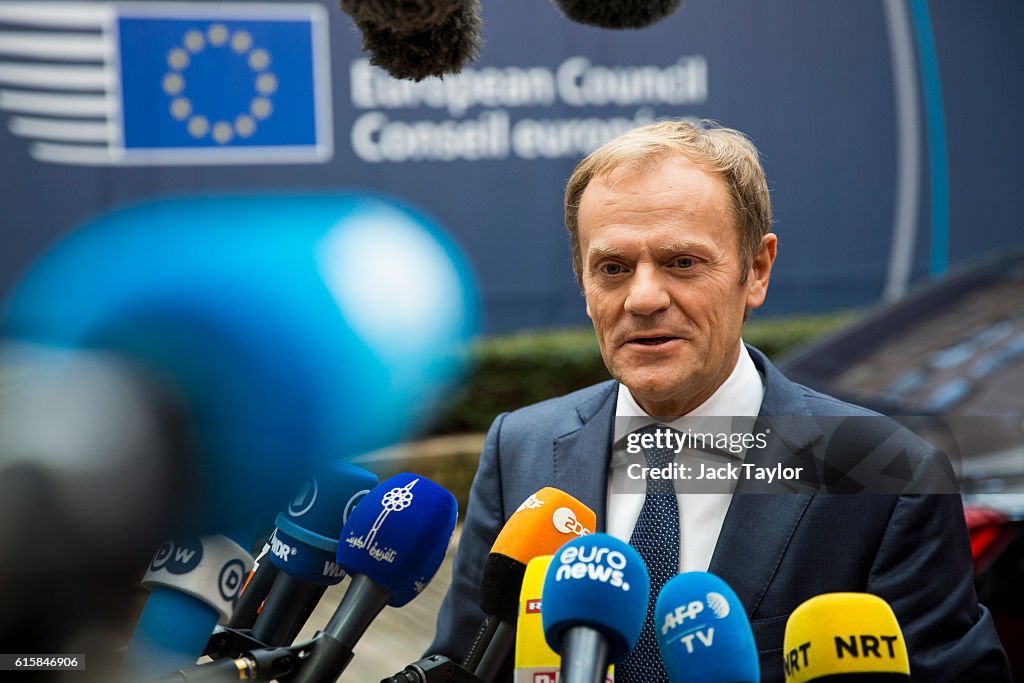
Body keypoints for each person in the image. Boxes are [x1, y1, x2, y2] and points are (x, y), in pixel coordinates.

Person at [429, 120, 1010, 682]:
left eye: (683, 262)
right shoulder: (520, 449)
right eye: (612, 267)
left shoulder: (888, 476)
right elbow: (466, 664)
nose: (644, 297)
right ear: (582, 283)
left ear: (756, 270)